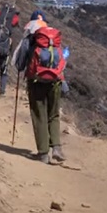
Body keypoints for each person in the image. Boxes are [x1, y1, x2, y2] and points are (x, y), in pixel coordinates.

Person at [14, 10, 66, 164]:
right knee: (53, 114)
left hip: (36, 81)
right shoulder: (54, 39)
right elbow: (62, 60)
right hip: (55, 81)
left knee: (39, 115)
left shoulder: (29, 39)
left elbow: (19, 63)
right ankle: (56, 147)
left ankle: (43, 153)